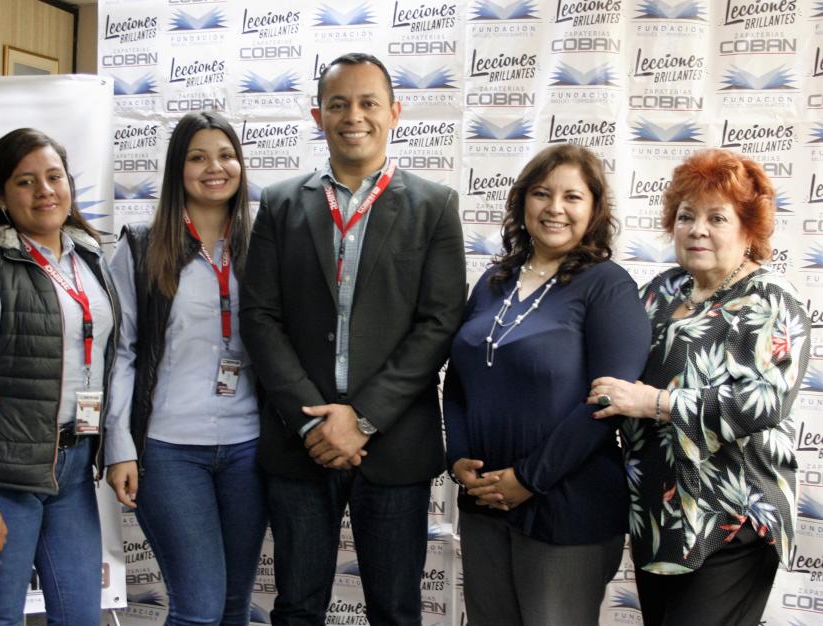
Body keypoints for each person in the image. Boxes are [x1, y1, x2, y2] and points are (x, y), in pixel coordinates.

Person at [239, 52, 466, 625]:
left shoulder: (434, 205)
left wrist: (360, 417)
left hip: (393, 442)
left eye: (368, 102)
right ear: (317, 115)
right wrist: (314, 420)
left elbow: (439, 322)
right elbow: (260, 316)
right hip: (302, 441)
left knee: (395, 610)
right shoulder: (282, 202)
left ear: (394, 111)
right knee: (296, 608)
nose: (353, 115)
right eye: (338, 104)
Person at [588, 149, 809, 625]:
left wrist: (656, 402)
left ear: (749, 229)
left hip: (734, 515)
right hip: (658, 516)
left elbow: (766, 400)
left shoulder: (771, 297)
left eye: (716, 217)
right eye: (686, 216)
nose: (697, 229)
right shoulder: (659, 292)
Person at [443, 143, 651, 625]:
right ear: (522, 202)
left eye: (572, 197)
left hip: (567, 505)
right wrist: (457, 457)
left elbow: (608, 401)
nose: (555, 208)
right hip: (484, 500)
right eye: (542, 193)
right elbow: (458, 380)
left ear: (595, 209)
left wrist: (528, 479)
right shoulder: (494, 281)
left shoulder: (608, 287)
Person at [0, 128, 119, 625]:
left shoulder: (91, 260)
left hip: (74, 468)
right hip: (6, 477)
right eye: (26, 182)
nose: (45, 191)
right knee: (0, 618)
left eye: (54, 177)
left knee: (80, 618)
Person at [105, 112, 266, 626]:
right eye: (197, 157)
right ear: (178, 170)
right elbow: (123, 354)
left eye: (225, 155)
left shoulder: (263, 246)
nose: (214, 167)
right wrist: (120, 446)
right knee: (198, 608)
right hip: (169, 450)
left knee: (236, 606)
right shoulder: (140, 247)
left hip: (250, 449)